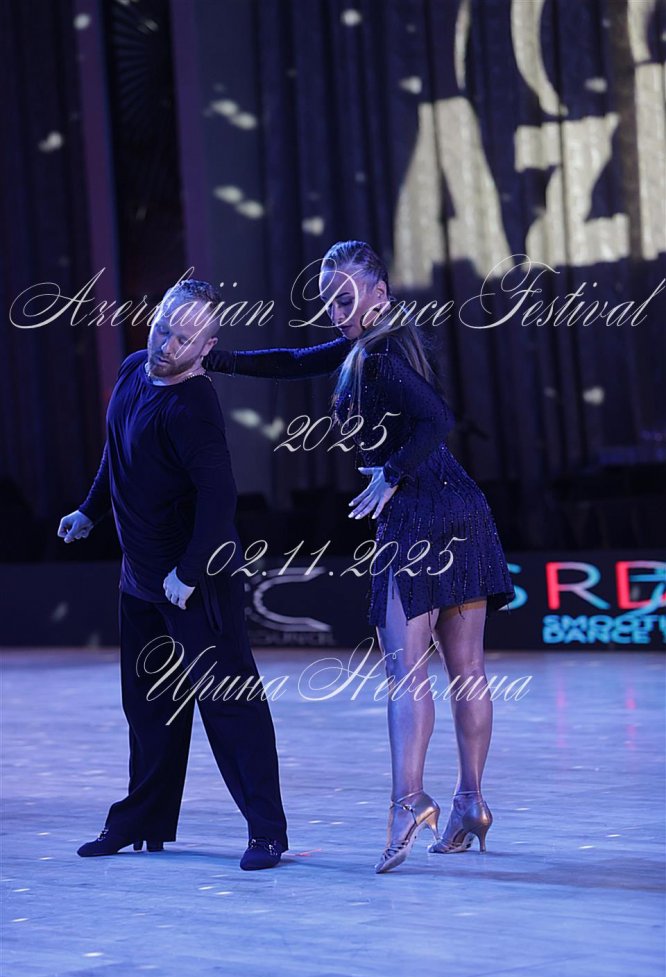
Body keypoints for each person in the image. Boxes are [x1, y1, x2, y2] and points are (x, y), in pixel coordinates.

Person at [203, 241, 515, 874]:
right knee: (468, 670)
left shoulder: (378, 356)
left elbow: (438, 418)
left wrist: (392, 473)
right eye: (328, 300)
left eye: (345, 298)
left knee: (408, 672)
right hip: (462, 508)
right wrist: (216, 358)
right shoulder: (377, 345)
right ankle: (470, 803)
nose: (335, 310)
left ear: (379, 294)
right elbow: (293, 361)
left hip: (420, 515)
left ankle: (408, 804)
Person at [57, 279, 288, 871]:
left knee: (228, 703)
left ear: (206, 346)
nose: (167, 345)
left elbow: (220, 497)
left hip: (196, 580)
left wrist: (187, 572)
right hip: (140, 577)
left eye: (185, 339)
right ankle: (141, 821)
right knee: (148, 705)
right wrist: (89, 510)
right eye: (163, 328)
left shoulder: (194, 406)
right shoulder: (133, 371)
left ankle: (267, 831)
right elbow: (117, 451)